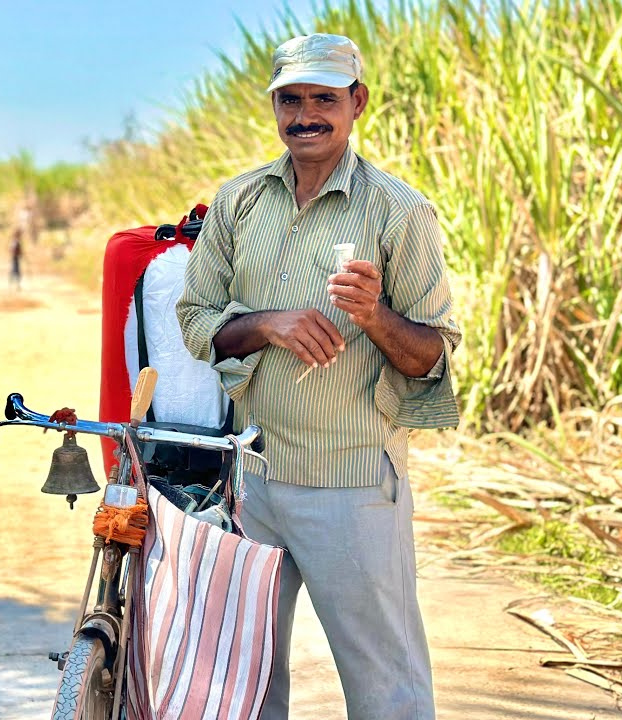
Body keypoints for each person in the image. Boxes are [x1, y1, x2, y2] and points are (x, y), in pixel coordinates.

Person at [177, 34, 460, 720]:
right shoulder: (240, 201)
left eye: (325, 99)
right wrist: (266, 324)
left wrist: (374, 315)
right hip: (253, 483)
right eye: (292, 99)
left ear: (357, 103)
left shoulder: (398, 211)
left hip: (352, 489)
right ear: (274, 105)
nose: (307, 115)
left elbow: (433, 356)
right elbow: (195, 318)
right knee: (245, 683)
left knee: (385, 688)